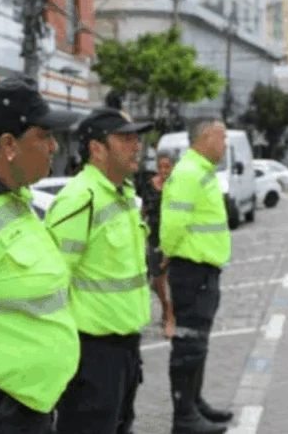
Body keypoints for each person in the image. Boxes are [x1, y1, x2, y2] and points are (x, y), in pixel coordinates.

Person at [0, 77, 81, 434]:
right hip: (1, 410)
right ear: (8, 144)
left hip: (32, 406)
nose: (55, 146)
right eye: (44, 136)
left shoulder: (16, 201)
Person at [46, 108, 153, 434]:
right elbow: (52, 280)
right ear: (97, 148)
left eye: (136, 137)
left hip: (125, 349)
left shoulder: (123, 196)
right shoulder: (81, 198)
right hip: (91, 354)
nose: (136, 145)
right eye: (125, 138)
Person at [160, 119, 233, 434]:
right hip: (192, 269)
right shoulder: (190, 172)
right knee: (189, 343)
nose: (225, 144)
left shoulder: (200, 170)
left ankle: (194, 403)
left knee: (198, 342)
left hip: (203, 270)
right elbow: (174, 223)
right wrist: (169, 253)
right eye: (223, 137)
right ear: (206, 137)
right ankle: (185, 416)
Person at [140, 150, 176, 338]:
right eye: (160, 166)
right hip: (154, 236)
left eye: (167, 166)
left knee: (171, 276)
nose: (163, 170)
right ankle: (166, 309)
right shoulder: (149, 186)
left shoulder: (177, 186)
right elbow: (143, 211)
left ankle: (170, 313)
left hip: (172, 236)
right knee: (159, 276)